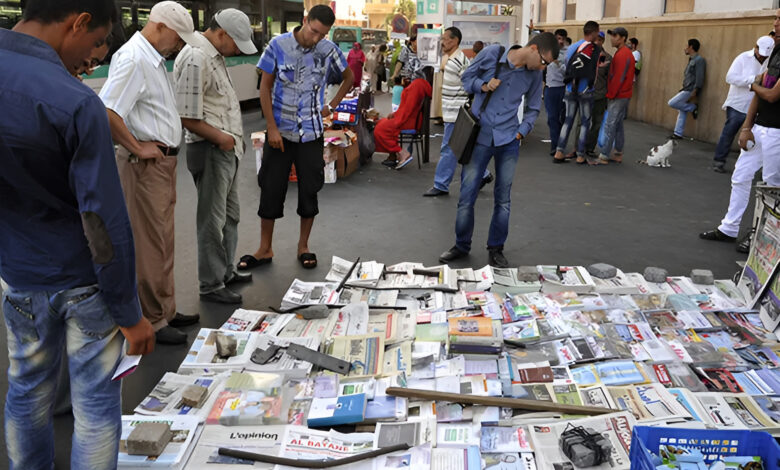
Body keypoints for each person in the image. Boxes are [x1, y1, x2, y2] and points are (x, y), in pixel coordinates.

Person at [0, 0, 156, 468]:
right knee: (95, 405)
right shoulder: (76, 101)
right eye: (93, 45)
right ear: (79, 22)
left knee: (27, 390)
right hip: (83, 281)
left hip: (18, 275)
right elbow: (102, 221)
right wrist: (130, 313)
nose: (91, 59)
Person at [100, 1, 199, 345]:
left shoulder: (150, 57)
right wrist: (138, 146)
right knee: (150, 242)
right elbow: (109, 110)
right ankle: (154, 318)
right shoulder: (133, 59)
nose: (179, 44)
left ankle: (164, 310)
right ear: (159, 26)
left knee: (162, 239)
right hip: (146, 164)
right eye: (177, 37)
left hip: (159, 162)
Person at [238, 5, 353, 271]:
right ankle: (264, 248)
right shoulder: (277, 46)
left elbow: (348, 77)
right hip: (280, 133)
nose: (316, 39)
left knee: (310, 190)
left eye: (322, 35)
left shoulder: (328, 50)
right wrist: (272, 127)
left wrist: (331, 105)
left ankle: (304, 246)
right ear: (305, 21)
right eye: (314, 31)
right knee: (271, 188)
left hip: (312, 133)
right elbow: (265, 88)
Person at [439, 33, 559, 268]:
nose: (544, 68)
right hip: (480, 135)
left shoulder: (534, 76)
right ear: (533, 49)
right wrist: (483, 86)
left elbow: (534, 107)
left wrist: (522, 131)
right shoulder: (492, 54)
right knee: (467, 195)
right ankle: (461, 245)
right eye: (544, 62)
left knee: (503, 199)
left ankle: (496, 248)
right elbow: (467, 78)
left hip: (508, 140)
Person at [173, 9, 256, 305]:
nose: (236, 51)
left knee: (229, 215)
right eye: (235, 44)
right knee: (211, 219)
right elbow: (187, 115)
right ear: (221, 33)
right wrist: (222, 139)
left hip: (225, 149)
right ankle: (210, 283)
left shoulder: (213, 56)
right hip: (211, 150)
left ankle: (225, 270)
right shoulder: (197, 57)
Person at [700, 9, 780, 252]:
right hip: (760, 128)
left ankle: (766, 240)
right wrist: (747, 127)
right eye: (776, 18)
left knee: (772, 187)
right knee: (741, 176)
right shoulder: (776, 53)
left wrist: (755, 85)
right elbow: (759, 92)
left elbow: (772, 94)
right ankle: (729, 228)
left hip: (777, 133)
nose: (776, 23)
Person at [424, 26, 492, 197]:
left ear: (454, 41)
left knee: (450, 149)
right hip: (453, 113)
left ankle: (441, 184)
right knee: (462, 148)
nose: (442, 42)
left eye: (445, 38)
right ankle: (483, 174)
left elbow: (470, 82)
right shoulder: (453, 58)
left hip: (456, 113)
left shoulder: (458, 61)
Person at [710, 36, 773, 173]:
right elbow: (730, 77)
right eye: (760, 55)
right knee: (729, 132)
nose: (762, 58)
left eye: (765, 56)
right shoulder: (743, 58)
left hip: (756, 107)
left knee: (754, 138)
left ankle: (748, 168)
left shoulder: (770, 61)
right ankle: (719, 161)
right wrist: (753, 80)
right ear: (755, 48)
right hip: (738, 104)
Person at [553, 21, 601, 164]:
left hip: (569, 88)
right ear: (593, 32)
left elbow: (567, 66)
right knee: (585, 122)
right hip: (586, 90)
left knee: (568, 120)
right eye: (597, 32)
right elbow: (595, 70)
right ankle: (580, 155)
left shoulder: (573, 47)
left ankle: (559, 151)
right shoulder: (594, 49)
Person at [373, 69, 433, 169]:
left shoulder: (416, 86)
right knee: (380, 123)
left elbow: (408, 109)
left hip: (408, 121)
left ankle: (401, 153)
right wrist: (395, 114)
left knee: (380, 129)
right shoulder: (418, 85)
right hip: (409, 118)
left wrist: (397, 118)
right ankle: (393, 156)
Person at [593, 27, 635, 165]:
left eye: (615, 36)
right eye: (612, 35)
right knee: (617, 124)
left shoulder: (623, 54)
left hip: (618, 95)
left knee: (611, 124)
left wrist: (611, 94)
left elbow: (618, 78)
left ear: (623, 38)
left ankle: (604, 155)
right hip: (622, 94)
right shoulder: (624, 53)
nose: (612, 38)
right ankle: (618, 152)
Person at [668, 38, 706, 139]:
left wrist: (696, 90)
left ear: (691, 47)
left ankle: (693, 108)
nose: (685, 48)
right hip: (685, 88)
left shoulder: (699, 60)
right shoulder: (691, 60)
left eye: (687, 46)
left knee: (672, 103)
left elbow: (700, 76)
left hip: (690, 89)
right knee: (682, 110)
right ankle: (678, 133)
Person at [584, 31, 611, 158]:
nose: (598, 42)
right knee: (583, 122)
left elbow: (610, 78)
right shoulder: (586, 55)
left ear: (603, 41)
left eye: (600, 40)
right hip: (585, 95)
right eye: (596, 40)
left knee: (597, 123)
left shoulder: (608, 58)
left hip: (600, 96)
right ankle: (580, 146)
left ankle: (590, 148)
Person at [544, 29, 568, 156]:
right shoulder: (547, 51)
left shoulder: (567, 52)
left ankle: (559, 145)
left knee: (561, 118)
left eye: (562, 39)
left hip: (562, 87)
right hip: (549, 88)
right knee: (551, 118)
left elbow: (568, 72)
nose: (560, 41)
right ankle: (555, 145)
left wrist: (558, 63)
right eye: (558, 38)